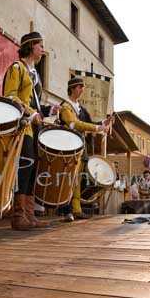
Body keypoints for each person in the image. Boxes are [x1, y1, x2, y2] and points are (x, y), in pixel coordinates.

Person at [2, 32, 58, 229]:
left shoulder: (35, 74)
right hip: (22, 127)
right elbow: (10, 97)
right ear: (31, 46)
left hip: (33, 128)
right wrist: (31, 114)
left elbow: (34, 104)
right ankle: (18, 216)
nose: (43, 50)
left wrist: (49, 110)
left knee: (33, 170)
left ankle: (28, 213)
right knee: (24, 168)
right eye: (40, 46)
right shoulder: (17, 68)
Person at [58, 77, 108, 222]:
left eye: (82, 87)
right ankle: (66, 210)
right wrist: (97, 128)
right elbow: (74, 124)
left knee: (77, 180)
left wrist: (103, 123)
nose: (82, 90)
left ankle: (77, 209)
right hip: (67, 147)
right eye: (80, 87)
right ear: (72, 89)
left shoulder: (81, 109)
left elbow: (89, 123)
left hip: (80, 147)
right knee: (67, 179)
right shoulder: (65, 107)